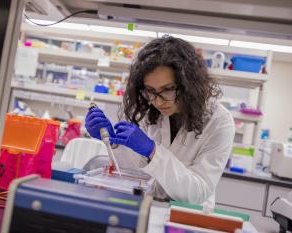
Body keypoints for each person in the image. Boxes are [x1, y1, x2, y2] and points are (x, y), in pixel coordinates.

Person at [85, 36, 235, 206]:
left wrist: (153, 151)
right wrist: (112, 143)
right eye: (150, 90)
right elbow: (128, 174)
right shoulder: (143, 109)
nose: (158, 101)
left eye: (168, 90)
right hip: (143, 206)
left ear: (189, 85)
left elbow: (198, 192)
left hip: (184, 217)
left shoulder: (219, 122)